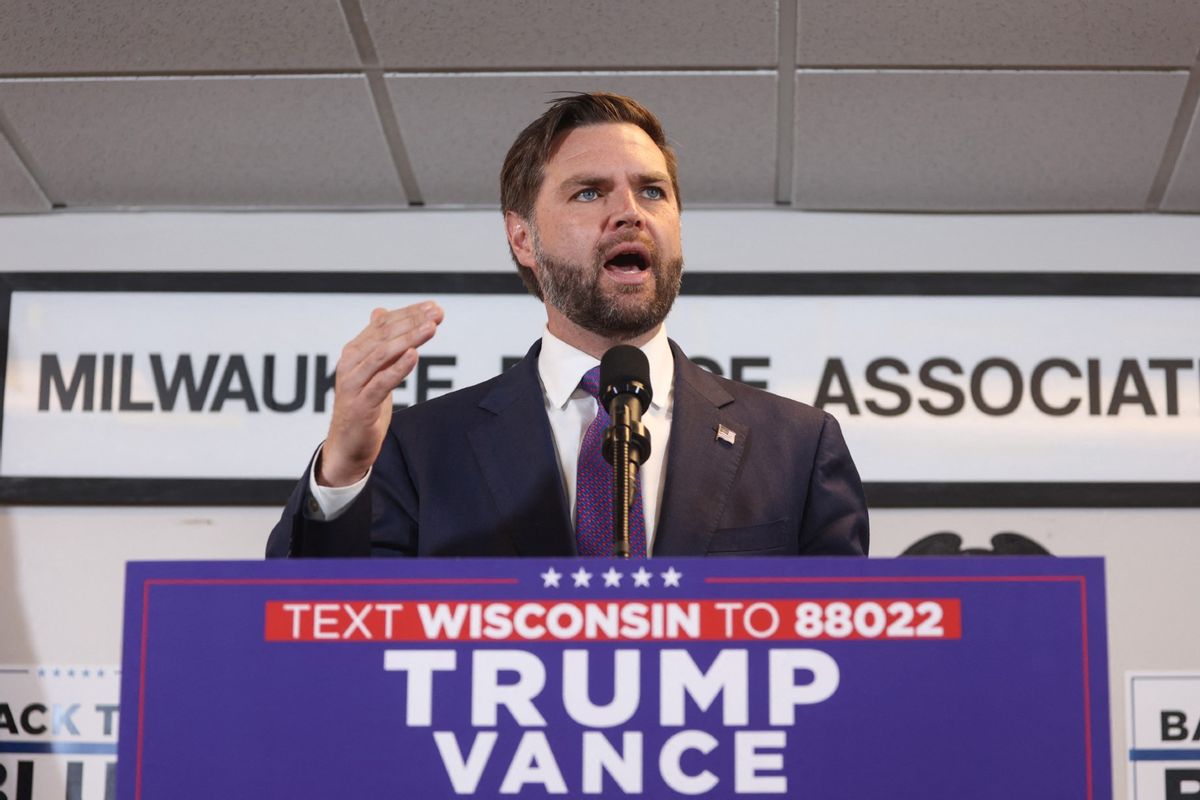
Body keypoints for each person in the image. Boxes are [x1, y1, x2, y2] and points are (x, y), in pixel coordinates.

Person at [267, 92, 868, 558]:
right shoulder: (420, 449)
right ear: (523, 238)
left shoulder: (795, 446)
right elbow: (320, 631)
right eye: (589, 193)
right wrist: (344, 465)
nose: (629, 213)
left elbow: (850, 658)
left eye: (652, 191)